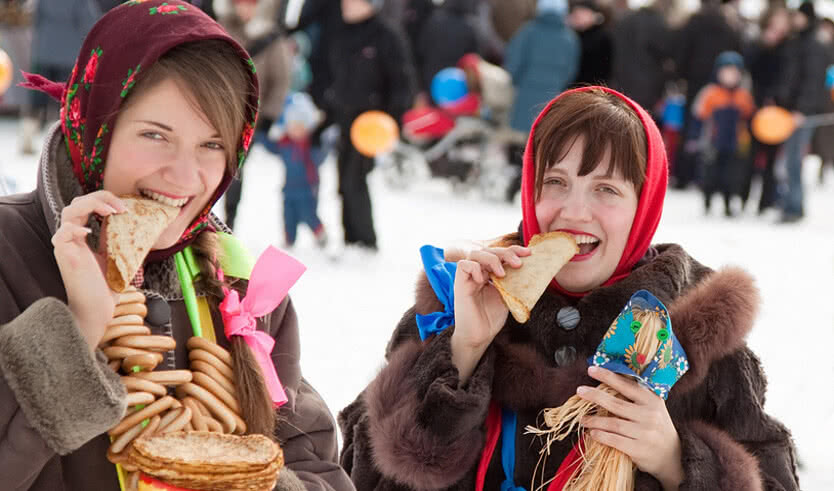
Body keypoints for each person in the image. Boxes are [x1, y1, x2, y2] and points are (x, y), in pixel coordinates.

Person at [338, 86, 799, 490]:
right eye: (556, 182)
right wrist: (463, 350)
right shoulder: (458, 301)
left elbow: (776, 478)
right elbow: (360, 477)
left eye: (606, 189)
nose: (574, 212)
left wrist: (678, 464)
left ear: (645, 205)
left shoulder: (698, 333)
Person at [0, 2, 354, 490]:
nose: (186, 178)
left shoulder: (240, 286)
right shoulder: (8, 252)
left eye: (212, 145)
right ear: (97, 127)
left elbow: (317, 469)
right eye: (154, 135)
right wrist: (78, 329)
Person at [328, 0, 417, 251]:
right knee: (343, 179)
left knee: (355, 179)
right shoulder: (340, 32)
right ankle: (349, 237)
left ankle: (365, 240)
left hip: (372, 123)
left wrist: (392, 120)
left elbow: (403, 82)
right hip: (345, 117)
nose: (346, 4)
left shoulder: (386, 35)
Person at [215, 0, 292, 231]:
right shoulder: (220, 29)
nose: (245, 9)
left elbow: (281, 80)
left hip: (250, 119)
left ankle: (230, 221)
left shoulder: (271, 37)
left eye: (251, 4)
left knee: (235, 172)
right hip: (218, 114)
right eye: (240, 3)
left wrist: (269, 115)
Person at [692, 51, 755, 217]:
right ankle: (707, 201)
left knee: (731, 176)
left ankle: (728, 203)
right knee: (710, 174)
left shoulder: (743, 96)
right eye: (726, 72)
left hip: (735, 142)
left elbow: (749, 116)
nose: (730, 77)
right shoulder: (710, 93)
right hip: (713, 140)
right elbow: (699, 116)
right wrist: (694, 137)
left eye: (734, 73)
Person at [266, 92, 328, 248]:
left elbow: (321, 156)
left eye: (300, 127)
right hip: (289, 188)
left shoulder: (311, 147)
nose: (296, 131)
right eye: (292, 126)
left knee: (308, 214)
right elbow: (270, 146)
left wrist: (322, 139)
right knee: (289, 215)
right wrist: (262, 132)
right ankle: (289, 239)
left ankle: (319, 233)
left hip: (308, 188)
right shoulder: (285, 143)